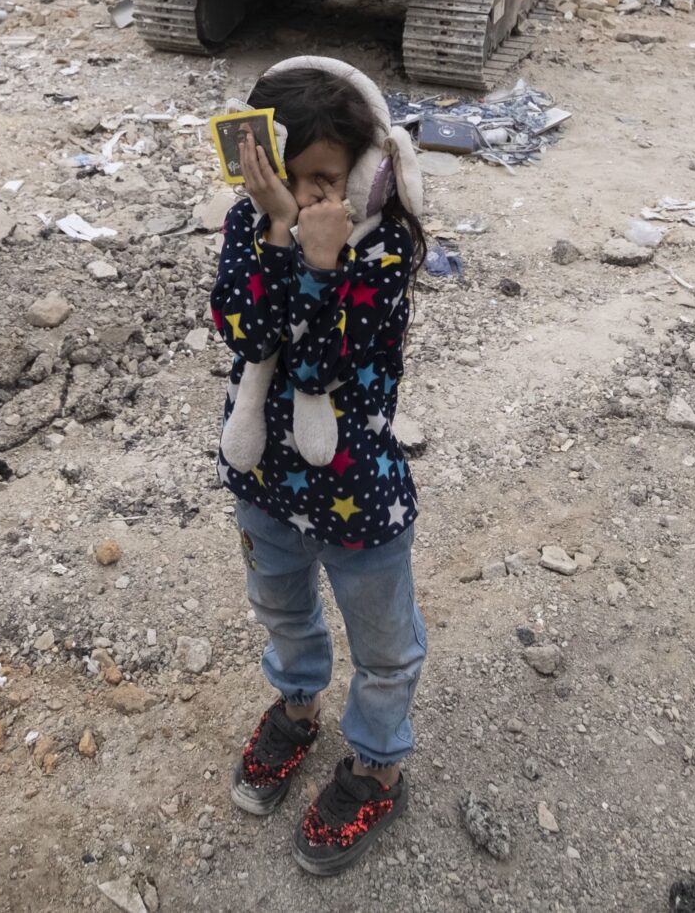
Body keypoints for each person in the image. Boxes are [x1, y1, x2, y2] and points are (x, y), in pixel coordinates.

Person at [208, 56, 429, 877]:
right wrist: (275, 233)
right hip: (266, 482)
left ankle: (377, 762)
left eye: (326, 180)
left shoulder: (385, 250)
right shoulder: (252, 223)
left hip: (358, 496)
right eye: (290, 179)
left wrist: (322, 262)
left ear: (366, 174)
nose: (309, 201)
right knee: (283, 612)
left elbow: (321, 365)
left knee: (385, 647)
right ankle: (298, 706)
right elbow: (247, 333)